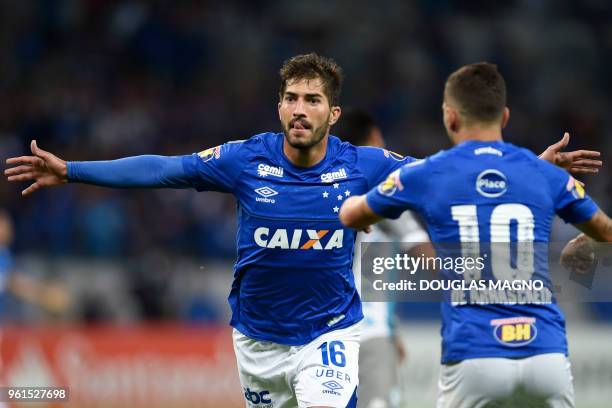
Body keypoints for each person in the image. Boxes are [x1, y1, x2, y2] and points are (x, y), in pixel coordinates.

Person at [4, 54, 600, 408]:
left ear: (331, 114)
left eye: (312, 99)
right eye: (290, 97)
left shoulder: (363, 164)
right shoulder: (244, 160)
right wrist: (73, 170)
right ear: (279, 106)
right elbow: (165, 168)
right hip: (256, 341)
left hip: (328, 336)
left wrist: (533, 170)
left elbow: (450, 175)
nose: (298, 108)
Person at [339, 62, 610, 408]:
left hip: (474, 355)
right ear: (506, 117)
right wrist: (584, 240)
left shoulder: (427, 173)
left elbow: (351, 213)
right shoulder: (544, 174)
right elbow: (606, 231)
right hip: (546, 354)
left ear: (450, 117)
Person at [335, 108, 432, 408]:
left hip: (325, 337)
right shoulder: (383, 193)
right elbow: (425, 259)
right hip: (370, 335)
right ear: (375, 139)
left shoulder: (327, 190)